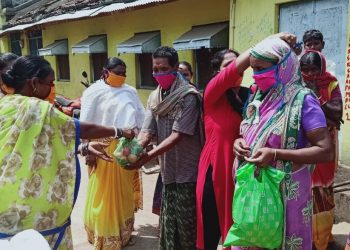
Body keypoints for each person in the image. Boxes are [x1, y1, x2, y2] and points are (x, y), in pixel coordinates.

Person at [0, 55, 134, 249]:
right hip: (30, 208)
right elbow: (77, 127)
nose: (52, 88)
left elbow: (42, 143)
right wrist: (119, 131)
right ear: (34, 83)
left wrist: (84, 147)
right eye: (50, 83)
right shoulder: (36, 108)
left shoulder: (5, 104)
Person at [233, 36, 333, 250]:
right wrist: (239, 142)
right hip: (254, 193)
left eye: (261, 68)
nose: (256, 75)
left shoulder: (303, 100)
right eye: (253, 69)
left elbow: (325, 151)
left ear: (283, 65)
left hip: (287, 194)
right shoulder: (258, 97)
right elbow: (250, 131)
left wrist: (276, 154)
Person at [128, 46, 203, 249]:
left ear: (175, 68)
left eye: (163, 69)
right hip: (168, 170)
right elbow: (147, 130)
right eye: (155, 69)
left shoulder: (188, 96)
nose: (158, 73)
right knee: (169, 224)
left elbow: (178, 135)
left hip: (189, 172)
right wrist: (133, 152)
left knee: (188, 229)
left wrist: (148, 155)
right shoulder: (155, 96)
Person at [80, 57, 145, 250]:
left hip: (126, 147)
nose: (122, 76)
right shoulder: (93, 92)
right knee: (104, 193)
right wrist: (87, 148)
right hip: (102, 147)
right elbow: (85, 122)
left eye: (124, 73)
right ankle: (104, 236)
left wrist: (141, 144)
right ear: (106, 72)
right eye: (118, 72)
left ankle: (122, 234)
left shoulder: (130, 91)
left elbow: (140, 117)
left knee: (124, 190)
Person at [196, 48, 250, 250]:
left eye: (238, 63)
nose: (237, 69)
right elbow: (231, 72)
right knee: (211, 230)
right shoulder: (212, 93)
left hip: (242, 170)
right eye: (227, 65)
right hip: (216, 167)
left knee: (238, 227)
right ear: (217, 73)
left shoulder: (250, 95)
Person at [300, 50, 343, 250]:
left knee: (323, 191)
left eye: (314, 69)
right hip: (301, 150)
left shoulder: (331, 84)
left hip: (324, 149)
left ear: (322, 68)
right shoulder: (294, 85)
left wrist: (314, 95)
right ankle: (304, 237)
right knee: (303, 193)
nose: (310, 73)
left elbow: (336, 113)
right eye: (306, 69)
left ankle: (323, 239)